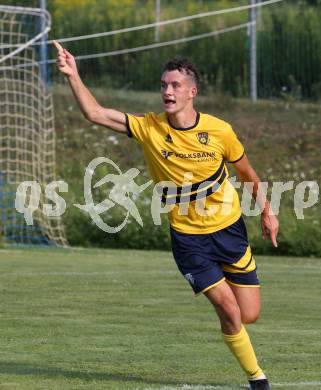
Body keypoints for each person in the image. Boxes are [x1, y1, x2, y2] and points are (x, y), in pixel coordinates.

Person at [53, 40, 279, 390]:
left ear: (192, 92)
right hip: (189, 241)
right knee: (230, 312)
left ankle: (231, 302)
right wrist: (73, 75)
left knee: (249, 314)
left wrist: (266, 212)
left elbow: (247, 174)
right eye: (163, 85)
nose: (167, 91)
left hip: (230, 231)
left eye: (175, 85)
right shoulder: (150, 127)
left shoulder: (219, 131)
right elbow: (95, 113)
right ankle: (257, 378)